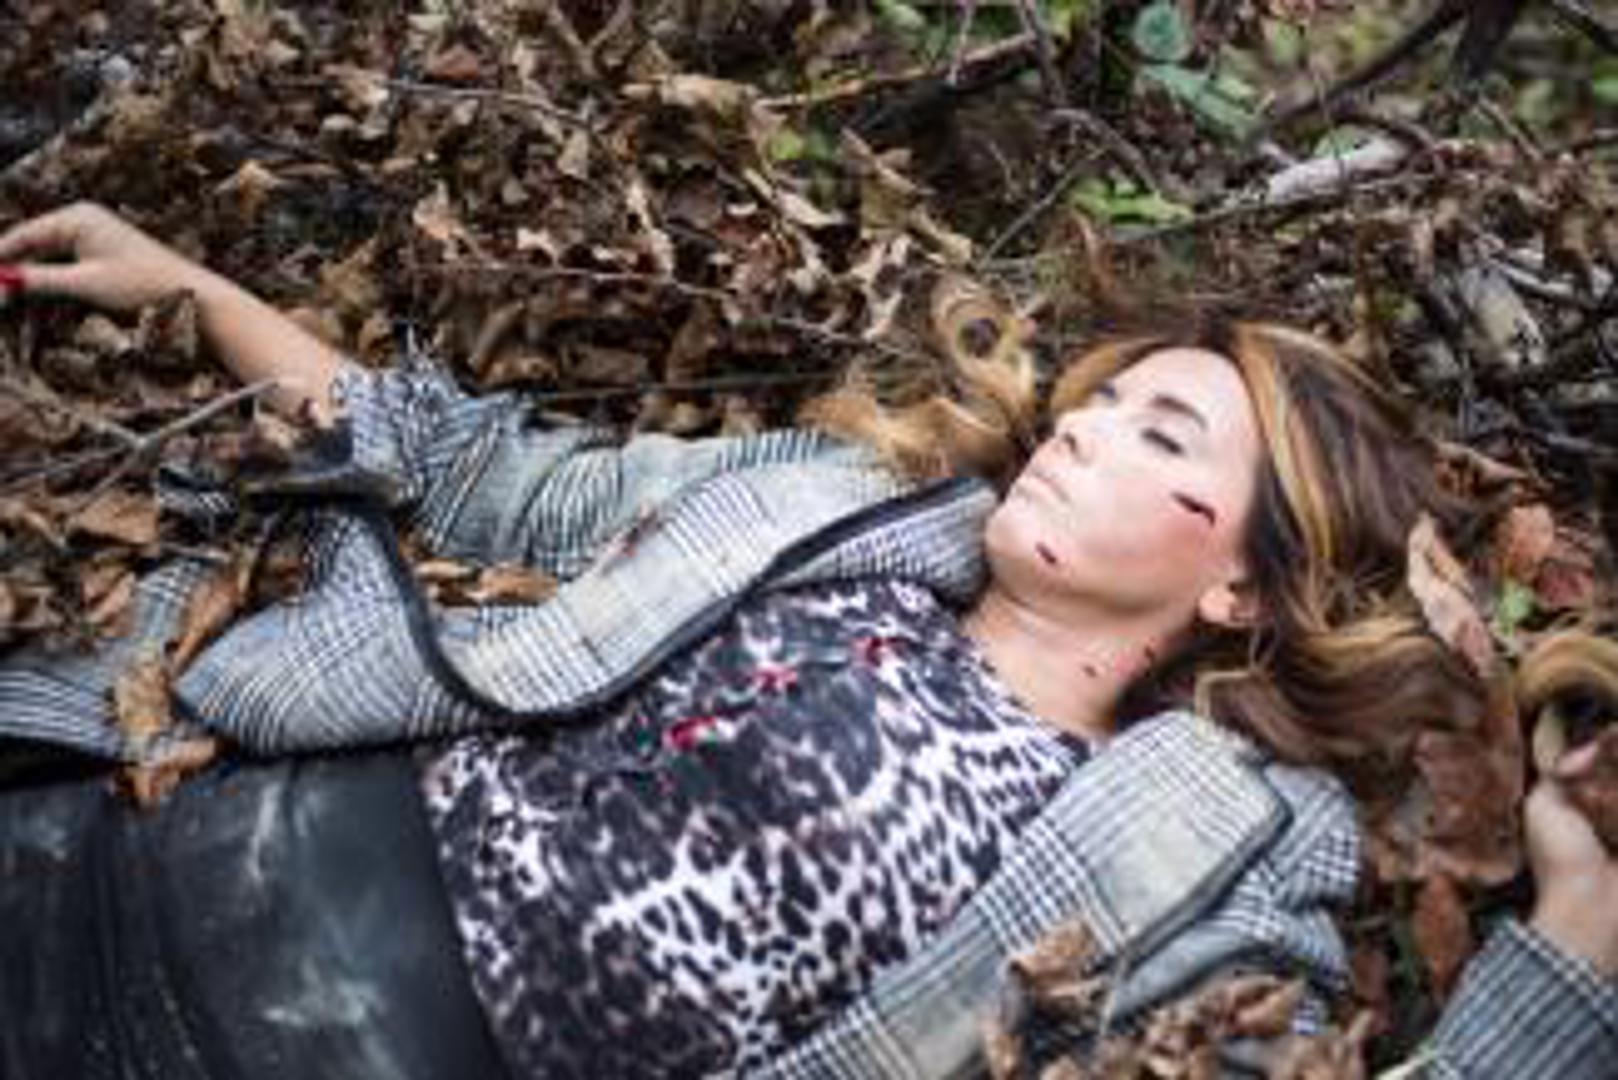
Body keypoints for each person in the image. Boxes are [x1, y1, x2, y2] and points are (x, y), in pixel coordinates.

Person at [0, 202, 1612, 1079]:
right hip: (133, 856)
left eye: (1162, 439)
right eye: (1103, 400)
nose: (1081, 428)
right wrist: (191, 285)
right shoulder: (834, 511)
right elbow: (486, 477)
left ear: (1241, 593)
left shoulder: (1190, 881)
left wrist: (1566, 959)